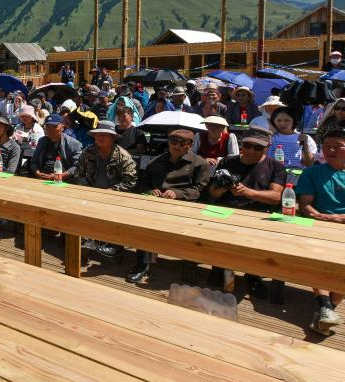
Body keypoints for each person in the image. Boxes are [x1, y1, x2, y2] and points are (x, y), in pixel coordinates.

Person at [205, 128, 286, 297]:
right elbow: (212, 193)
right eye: (247, 145)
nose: (250, 150)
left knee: (256, 240)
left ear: (267, 147)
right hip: (226, 210)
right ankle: (219, 267)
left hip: (258, 214)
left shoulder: (275, 166)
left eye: (257, 147)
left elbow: (276, 197)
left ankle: (253, 275)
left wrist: (248, 192)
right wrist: (221, 188)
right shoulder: (227, 161)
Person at [127, 128, 213, 283]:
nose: (176, 146)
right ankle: (143, 264)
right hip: (157, 206)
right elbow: (142, 184)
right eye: (173, 142)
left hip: (186, 208)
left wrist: (178, 193)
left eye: (182, 143)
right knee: (143, 222)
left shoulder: (199, 164)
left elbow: (200, 190)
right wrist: (150, 191)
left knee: (192, 227)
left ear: (190, 145)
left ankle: (189, 263)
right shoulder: (156, 161)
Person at [297, 128, 345, 335]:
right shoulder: (311, 172)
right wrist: (321, 218)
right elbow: (305, 205)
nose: (330, 150)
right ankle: (327, 308)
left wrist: (338, 218)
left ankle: (325, 309)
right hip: (318, 224)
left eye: (337, 146)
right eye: (326, 146)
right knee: (317, 261)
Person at [73, 120, 137, 257]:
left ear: (113, 138)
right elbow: (78, 173)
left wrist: (111, 192)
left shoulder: (123, 156)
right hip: (90, 194)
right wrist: (87, 190)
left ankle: (114, 244)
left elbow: (131, 181)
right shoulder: (88, 151)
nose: (101, 138)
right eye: (98, 134)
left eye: (105, 135)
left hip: (115, 197)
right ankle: (86, 241)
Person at [29, 114, 82, 181]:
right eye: (48, 127)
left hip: (64, 180)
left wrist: (59, 176)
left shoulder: (74, 144)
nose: (51, 130)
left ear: (62, 127)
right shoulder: (42, 141)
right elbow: (34, 162)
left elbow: (77, 166)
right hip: (42, 178)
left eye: (54, 127)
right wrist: (37, 173)